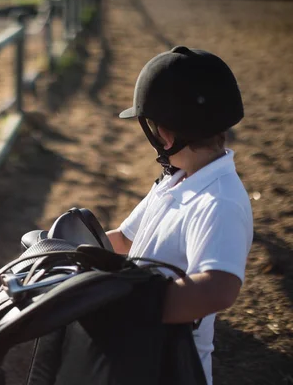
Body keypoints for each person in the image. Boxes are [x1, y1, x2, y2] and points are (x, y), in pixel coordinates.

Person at [105, 45, 254, 385]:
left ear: (167, 135)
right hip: (141, 352)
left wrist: (129, 306)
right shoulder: (173, 181)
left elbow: (218, 288)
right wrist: (67, 248)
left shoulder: (219, 201)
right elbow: (126, 239)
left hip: (172, 366)